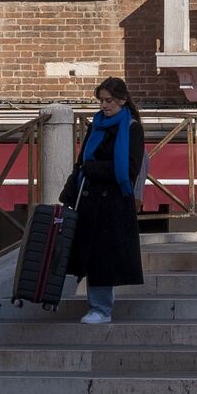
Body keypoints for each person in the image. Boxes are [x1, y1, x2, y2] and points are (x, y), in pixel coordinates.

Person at [61, 76, 145, 325]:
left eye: (108, 101)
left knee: (103, 257)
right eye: (101, 101)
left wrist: (93, 168)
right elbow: (81, 162)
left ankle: (101, 309)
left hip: (114, 203)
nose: (104, 106)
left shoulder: (131, 128)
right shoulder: (95, 126)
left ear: (122, 100)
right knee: (91, 256)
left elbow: (130, 168)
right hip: (88, 201)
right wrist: (69, 192)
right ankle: (97, 306)